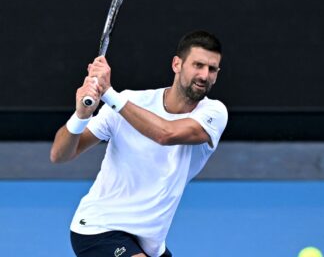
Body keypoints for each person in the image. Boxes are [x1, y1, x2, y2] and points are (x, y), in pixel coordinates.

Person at [50, 30, 227, 257]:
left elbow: (166, 134)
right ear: (177, 64)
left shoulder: (214, 113)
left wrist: (110, 95)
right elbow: (60, 154)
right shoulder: (129, 102)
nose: (204, 75)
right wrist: (80, 116)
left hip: (150, 242)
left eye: (212, 69)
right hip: (100, 228)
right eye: (198, 65)